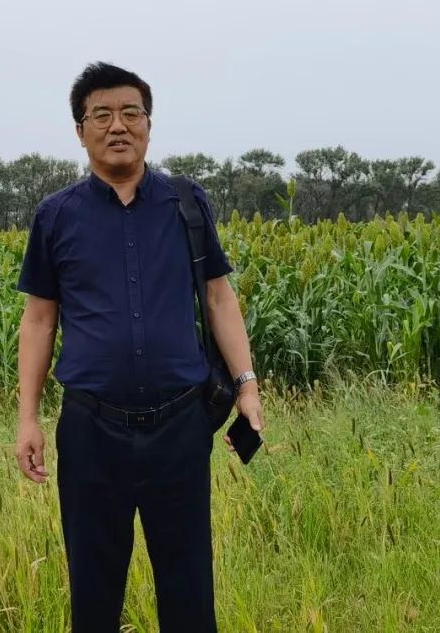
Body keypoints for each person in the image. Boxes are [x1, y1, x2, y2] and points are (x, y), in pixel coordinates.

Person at [15, 61, 264, 632]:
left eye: (131, 113)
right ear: (80, 131)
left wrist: (247, 385)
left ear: (149, 124)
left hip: (180, 425)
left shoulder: (186, 203)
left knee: (189, 589)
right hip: (90, 429)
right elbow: (39, 320)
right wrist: (28, 418)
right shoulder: (56, 216)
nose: (118, 126)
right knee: (94, 590)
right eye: (101, 115)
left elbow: (219, 297)